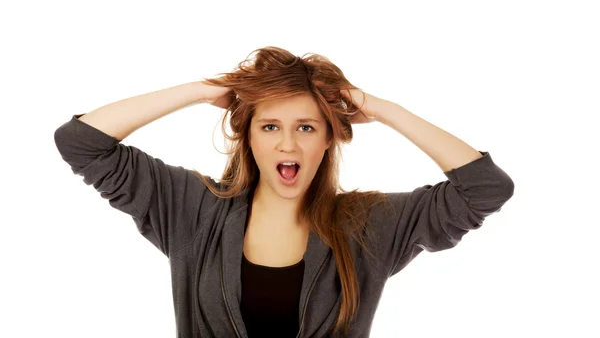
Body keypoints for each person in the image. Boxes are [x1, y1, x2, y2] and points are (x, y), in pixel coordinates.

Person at [54, 46, 515, 337]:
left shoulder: (369, 226)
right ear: (249, 136)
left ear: (329, 138)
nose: (287, 143)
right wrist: (206, 89)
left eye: (307, 127)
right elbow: (81, 143)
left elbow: (485, 188)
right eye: (269, 125)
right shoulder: (193, 210)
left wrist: (379, 107)